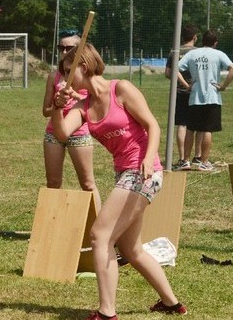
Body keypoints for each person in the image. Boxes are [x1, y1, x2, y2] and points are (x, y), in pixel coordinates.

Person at [52, 43, 186, 320]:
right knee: (131, 249)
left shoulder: (120, 89)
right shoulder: (82, 105)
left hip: (143, 172)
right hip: (123, 174)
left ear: (85, 67)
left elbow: (153, 125)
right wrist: (57, 107)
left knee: (100, 237)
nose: (65, 79)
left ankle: (106, 312)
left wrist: (149, 159)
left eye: (69, 71)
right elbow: (63, 133)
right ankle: (172, 304)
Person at [42, 29, 100, 211]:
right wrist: (58, 105)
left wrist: (73, 95)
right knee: (53, 182)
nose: (64, 52)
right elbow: (45, 111)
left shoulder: (88, 76)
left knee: (88, 184)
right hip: (54, 134)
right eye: (61, 48)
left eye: (70, 48)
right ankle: (51, 225)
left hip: (79, 133)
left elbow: (95, 103)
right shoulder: (54, 76)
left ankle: (98, 225)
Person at [178, 29, 233, 171]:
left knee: (191, 129)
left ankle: (185, 161)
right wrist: (223, 86)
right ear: (215, 43)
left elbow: (176, 69)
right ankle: (203, 162)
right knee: (207, 130)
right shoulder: (218, 54)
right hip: (212, 96)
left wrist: (187, 85)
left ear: (201, 40)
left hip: (195, 97)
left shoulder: (192, 53)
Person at [164, 25, 204, 170]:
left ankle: (182, 159)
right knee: (199, 125)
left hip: (180, 92)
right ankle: (198, 156)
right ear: (195, 37)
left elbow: (168, 73)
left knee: (182, 124)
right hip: (196, 93)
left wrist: (182, 83)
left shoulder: (175, 51)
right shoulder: (199, 52)